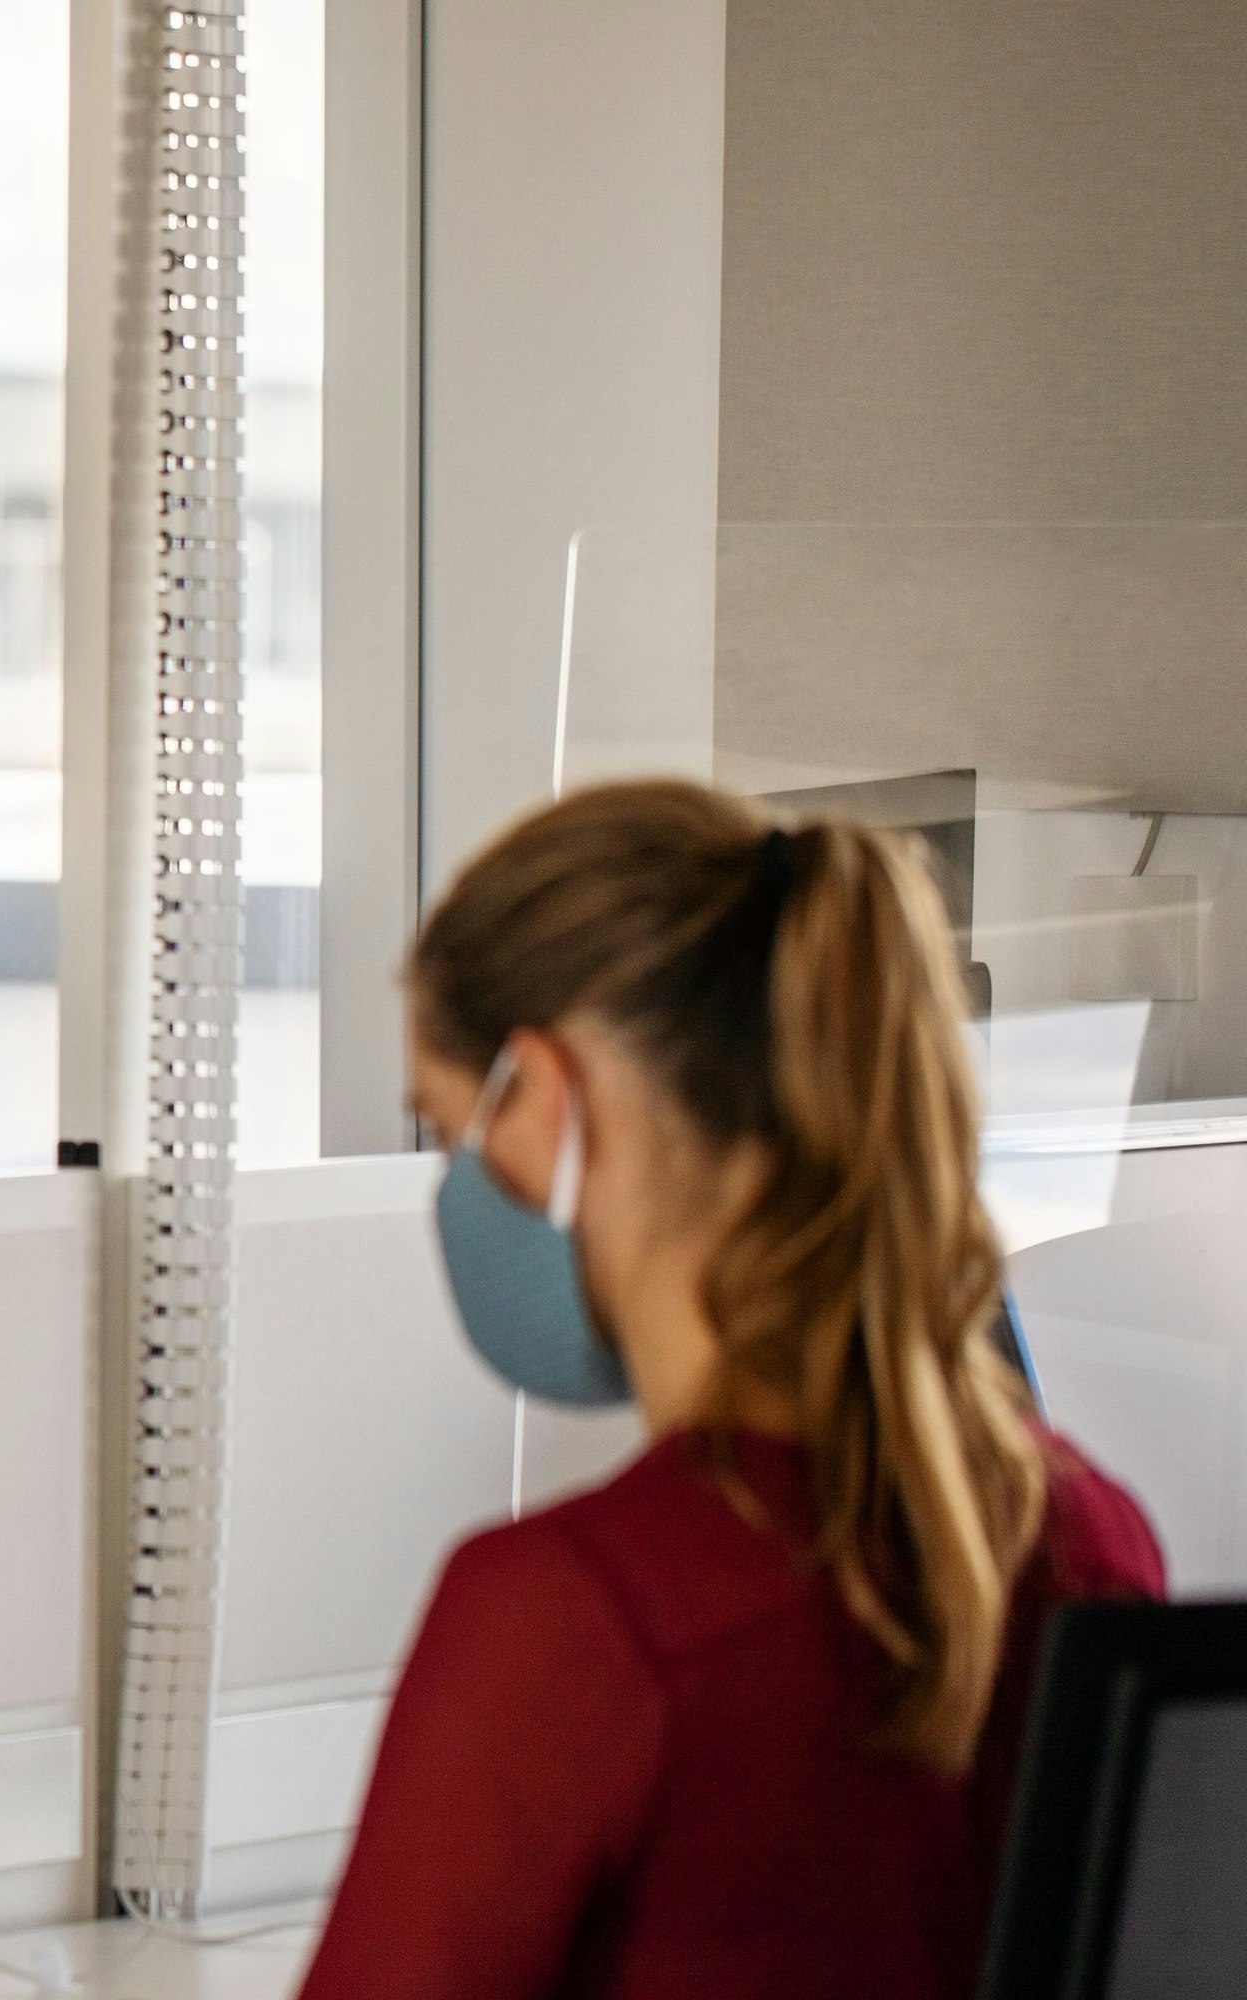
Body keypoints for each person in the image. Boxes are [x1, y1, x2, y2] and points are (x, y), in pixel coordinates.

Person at [298, 781, 1163, 1999]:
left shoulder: (573, 1617)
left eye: (451, 1132)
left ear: (545, 1094)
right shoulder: (1087, 1538)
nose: (457, 1188)